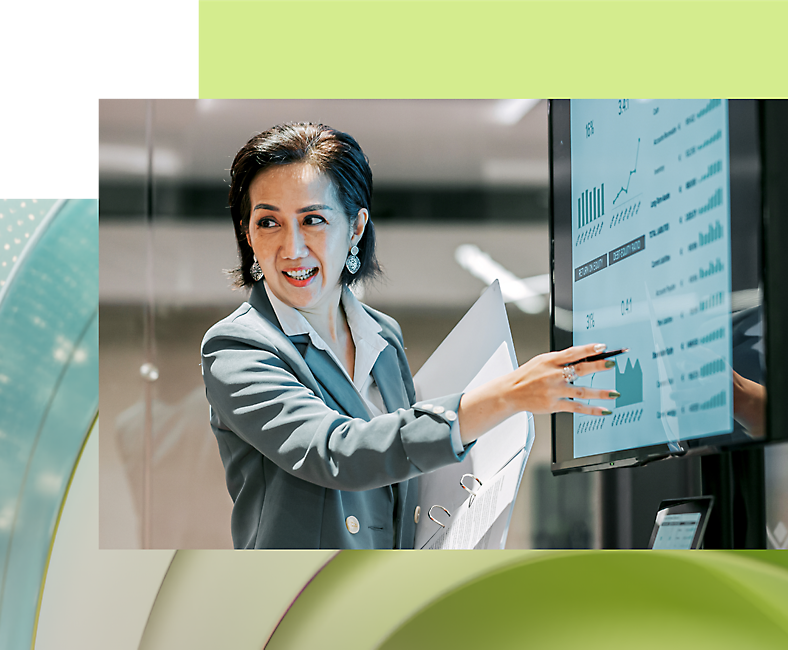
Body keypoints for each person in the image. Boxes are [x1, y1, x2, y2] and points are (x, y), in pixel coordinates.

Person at [201, 122, 617, 549]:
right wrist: (506, 397)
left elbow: (403, 486)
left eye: (313, 220)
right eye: (268, 222)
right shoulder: (238, 347)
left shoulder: (382, 337)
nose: (291, 248)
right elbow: (335, 452)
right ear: (248, 233)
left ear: (356, 228)